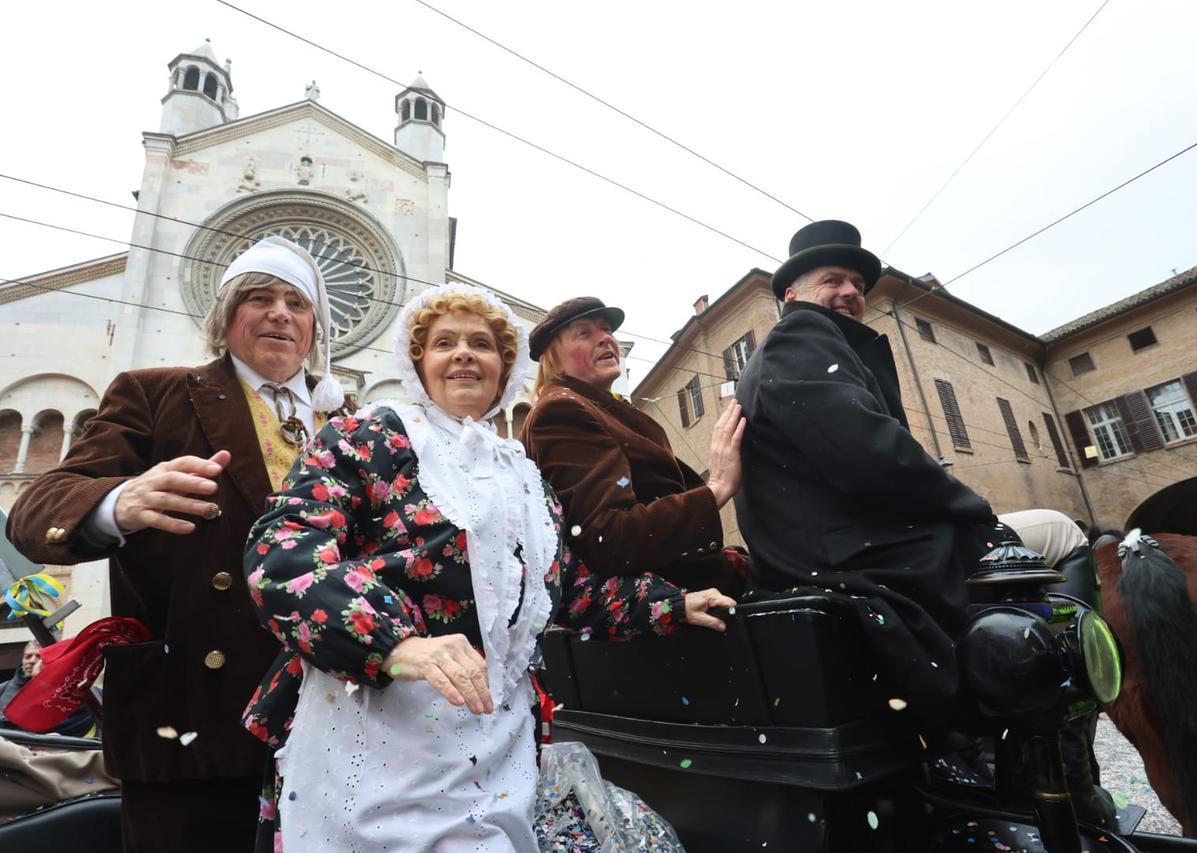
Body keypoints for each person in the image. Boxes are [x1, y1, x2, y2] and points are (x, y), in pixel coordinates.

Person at [241, 282, 734, 852]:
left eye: (482, 343)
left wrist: (671, 603)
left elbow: (564, 589)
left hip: (498, 740)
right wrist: (397, 645)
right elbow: (282, 552)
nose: (464, 354)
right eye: (443, 342)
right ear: (418, 364)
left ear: (507, 368)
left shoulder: (523, 475)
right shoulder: (369, 435)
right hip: (376, 730)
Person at [5, 236, 347, 852]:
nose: (279, 313)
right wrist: (117, 503)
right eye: (258, 298)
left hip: (333, 719)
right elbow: (34, 513)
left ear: (315, 326)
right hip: (193, 718)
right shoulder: (156, 393)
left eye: (296, 302)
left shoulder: (351, 420)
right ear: (225, 319)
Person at [733, 220, 1094, 725]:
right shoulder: (801, 334)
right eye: (832, 280)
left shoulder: (785, 350)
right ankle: (1058, 698)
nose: (850, 293)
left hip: (837, 549)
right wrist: (974, 508)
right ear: (792, 294)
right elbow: (870, 455)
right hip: (859, 554)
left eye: (858, 285)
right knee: (1062, 530)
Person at [519, 297, 747, 591]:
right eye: (584, 333)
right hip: (667, 609)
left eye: (607, 330)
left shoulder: (598, 409)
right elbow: (608, 539)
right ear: (553, 359)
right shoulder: (561, 411)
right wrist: (716, 489)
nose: (605, 339)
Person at [0, 641, 40, 725]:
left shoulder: (59, 692)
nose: (32, 661)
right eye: (28, 656)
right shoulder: (3, 689)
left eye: (39, 657)